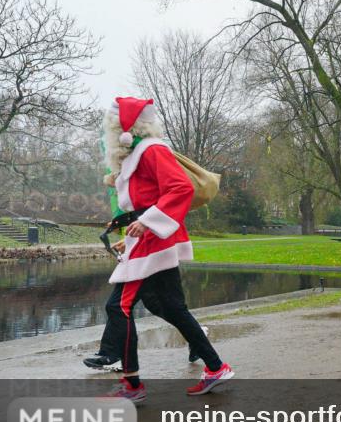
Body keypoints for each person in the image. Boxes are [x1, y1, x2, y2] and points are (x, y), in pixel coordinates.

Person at [86, 96, 234, 403]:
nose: (108, 135)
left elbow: (180, 187)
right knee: (171, 308)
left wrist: (149, 223)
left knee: (119, 307)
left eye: (110, 128)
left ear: (123, 126)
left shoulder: (152, 149)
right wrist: (128, 236)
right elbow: (146, 201)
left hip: (155, 239)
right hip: (150, 238)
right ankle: (216, 367)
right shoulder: (139, 153)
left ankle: (133, 387)